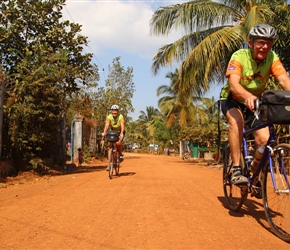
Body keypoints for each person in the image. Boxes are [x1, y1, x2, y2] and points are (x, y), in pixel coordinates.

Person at [220, 24, 290, 185]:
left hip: (256, 103)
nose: (264, 46)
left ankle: (253, 171)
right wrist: (248, 96)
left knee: (264, 139)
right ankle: (237, 169)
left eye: (268, 42)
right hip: (233, 100)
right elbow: (234, 84)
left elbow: (284, 79)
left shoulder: (272, 57)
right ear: (250, 43)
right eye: (260, 42)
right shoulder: (239, 57)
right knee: (236, 122)